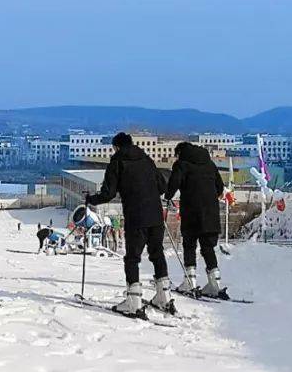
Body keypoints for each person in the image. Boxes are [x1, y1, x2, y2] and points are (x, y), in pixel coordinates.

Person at [86, 132, 173, 316]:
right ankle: (164, 296)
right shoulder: (146, 159)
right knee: (157, 254)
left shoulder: (117, 162)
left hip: (136, 216)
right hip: (156, 215)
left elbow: (108, 193)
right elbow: (163, 187)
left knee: (133, 258)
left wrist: (91, 199)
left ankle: (134, 300)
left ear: (116, 147)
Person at [165, 142, 225, 297]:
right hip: (211, 212)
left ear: (179, 153)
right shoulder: (209, 164)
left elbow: (173, 184)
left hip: (192, 210)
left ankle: (190, 281)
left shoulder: (182, 164)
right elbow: (220, 187)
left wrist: (166, 196)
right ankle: (215, 283)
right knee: (207, 248)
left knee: (189, 245)